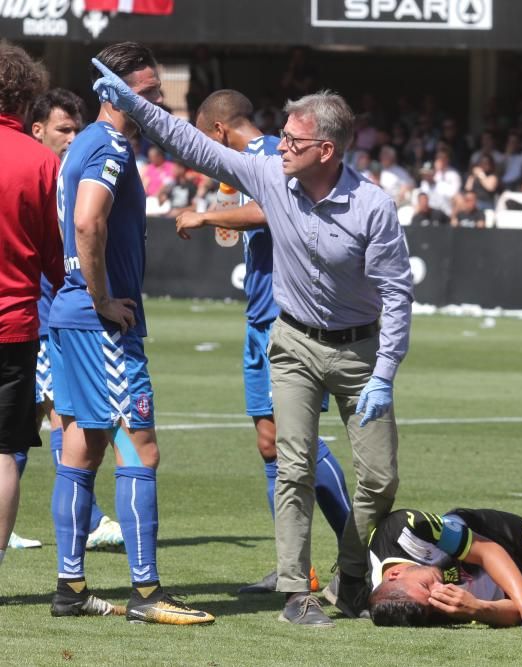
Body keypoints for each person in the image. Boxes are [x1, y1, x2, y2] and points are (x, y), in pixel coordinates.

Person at [92, 55, 413, 626]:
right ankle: (296, 592)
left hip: (362, 353)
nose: (279, 145)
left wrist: (385, 373)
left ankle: (351, 574)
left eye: (293, 139)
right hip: (293, 343)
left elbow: (396, 294)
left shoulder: (374, 207)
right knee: (291, 466)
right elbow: (193, 146)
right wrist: (132, 101)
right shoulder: (269, 173)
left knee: (381, 479)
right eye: (282, 134)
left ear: (327, 150)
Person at [47, 42, 214, 624]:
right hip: (99, 324)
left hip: (69, 318)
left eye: (157, 94)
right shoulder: (110, 146)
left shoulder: (82, 145)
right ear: (113, 93)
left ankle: (71, 588)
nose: (156, 106)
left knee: (80, 444)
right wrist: (101, 299)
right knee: (140, 449)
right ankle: (147, 594)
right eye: (146, 95)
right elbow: (88, 219)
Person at [173, 89, 352, 595]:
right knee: (271, 443)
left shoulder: (278, 153)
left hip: (284, 318)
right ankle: (295, 566)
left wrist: (207, 216)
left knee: (301, 441)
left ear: (218, 134)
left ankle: (359, 554)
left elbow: (275, 211)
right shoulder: (248, 170)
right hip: (257, 319)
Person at [15, 88, 125, 553]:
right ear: (36, 130)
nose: (72, 137)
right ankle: (91, 521)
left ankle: (88, 519)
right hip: (39, 320)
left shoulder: (65, 176)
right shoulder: (42, 177)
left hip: (44, 320)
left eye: (76, 129)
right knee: (53, 419)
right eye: (63, 129)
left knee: (50, 418)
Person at [0, 41, 64, 578]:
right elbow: (54, 254)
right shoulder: (42, 160)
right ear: (26, 98)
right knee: (2, 453)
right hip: (15, 325)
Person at [367, 508, 522, 628]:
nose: (440, 590)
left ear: (395, 574)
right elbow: (514, 613)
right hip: (492, 589)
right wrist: (478, 609)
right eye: (433, 601)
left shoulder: (405, 529)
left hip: (480, 535)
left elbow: (488, 551)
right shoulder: (416, 611)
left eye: (425, 585)